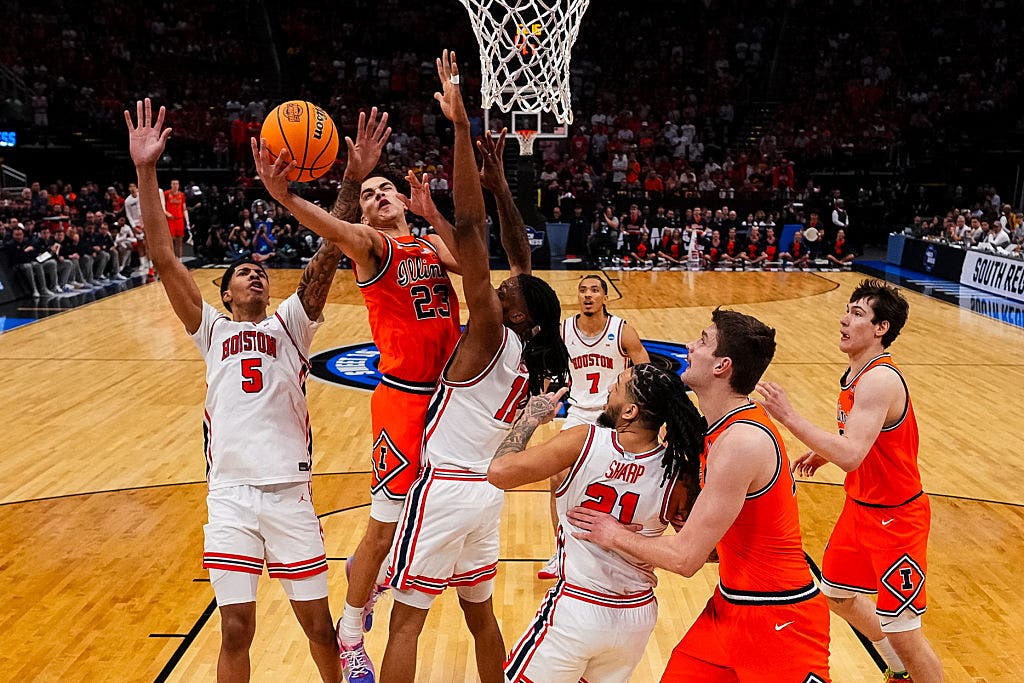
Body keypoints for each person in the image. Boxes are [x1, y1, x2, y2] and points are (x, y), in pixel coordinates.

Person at [126, 99, 343, 683]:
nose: (255, 274)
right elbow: (163, 255)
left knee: (319, 628)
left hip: (290, 493)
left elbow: (328, 256)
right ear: (224, 294)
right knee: (235, 629)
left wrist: (342, 182)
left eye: (260, 271)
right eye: (243, 273)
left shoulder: (291, 325)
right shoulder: (211, 330)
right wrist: (146, 169)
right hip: (230, 496)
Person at [379, 50, 569, 683]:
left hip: (443, 487)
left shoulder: (488, 329)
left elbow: (469, 225)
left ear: (515, 312)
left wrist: (461, 128)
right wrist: (503, 187)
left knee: (406, 624)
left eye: (506, 292)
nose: (500, 285)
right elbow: (521, 261)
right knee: (480, 618)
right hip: (487, 492)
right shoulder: (535, 355)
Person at [253, 107, 462, 683]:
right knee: (384, 524)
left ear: (403, 199)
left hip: (449, 399)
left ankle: (367, 576)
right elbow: (333, 228)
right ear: (364, 212)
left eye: (385, 189)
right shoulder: (371, 246)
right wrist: (288, 197)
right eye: (368, 194)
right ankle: (350, 634)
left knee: (432, 509)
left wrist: (433, 214)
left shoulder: (427, 244)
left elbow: (472, 262)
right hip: (402, 399)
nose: (377, 197)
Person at [569, 308, 831, 682]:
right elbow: (713, 551)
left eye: (703, 341)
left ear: (722, 366)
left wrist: (613, 534)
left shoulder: (742, 441)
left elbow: (685, 559)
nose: (690, 346)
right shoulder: (721, 429)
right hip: (729, 607)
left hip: (778, 618)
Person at [757, 280, 943, 683]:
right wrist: (825, 450)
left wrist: (788, 417)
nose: (844, 319)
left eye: (857, 313)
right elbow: (861, 435)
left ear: (881, 328)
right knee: (839, 595)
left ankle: (907, 664)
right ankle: (899, 670)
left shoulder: (879, 379)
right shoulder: (856, 373)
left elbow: (852, 455)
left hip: (896, 519)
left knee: (905, 633)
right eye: (847, 310)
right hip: (861, 509)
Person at [488, 364, 705, 682]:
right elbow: (705, 553)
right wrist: (635, 539)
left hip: (577, 608)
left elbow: (499, 472)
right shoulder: (678, 474)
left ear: (630, 411)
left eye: (617, 385)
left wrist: (530, 417)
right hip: (636, 618)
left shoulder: (583, 441)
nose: (608, 389)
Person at [536, 274, 650, 580]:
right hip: (578, 413)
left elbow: (645, 372)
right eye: (583, 290)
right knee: (558, 478)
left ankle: (617, 547)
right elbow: (547, 365)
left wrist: (641, 411)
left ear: (605, 298)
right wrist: (542, 398)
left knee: (614, 482)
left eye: (594, 290)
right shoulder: (564, 330)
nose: (588, 295)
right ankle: (561, 551)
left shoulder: (621, 330)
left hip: (614, 417)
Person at [164, 178, 188, 258]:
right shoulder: (166, 194)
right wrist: (167, 213)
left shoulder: (182, 195)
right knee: (171, 241)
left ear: (179, 185)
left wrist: (187, 221)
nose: (175, 185)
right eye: (173, 184)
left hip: (179, 220)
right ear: (171, 185)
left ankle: (179, 260)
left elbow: (184, 208)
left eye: (176, 184)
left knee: (179, 241)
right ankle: (172, 260)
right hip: (170, 220)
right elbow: (162, 205)